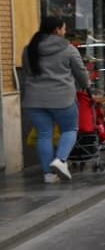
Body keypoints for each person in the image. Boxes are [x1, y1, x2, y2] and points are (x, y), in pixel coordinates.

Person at [20, 15, 90, 182]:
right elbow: (81, 73)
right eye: (64, 28)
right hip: (62, 99)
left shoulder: (29, 48)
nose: (65, 31)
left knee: (44, 134)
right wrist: (85, 85)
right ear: (57, 30)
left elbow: (26, 72)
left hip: (34, 100)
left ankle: (49, 175)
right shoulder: (68, 49)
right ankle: (60, 160)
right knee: (70, 129)